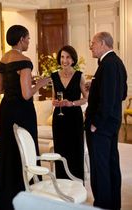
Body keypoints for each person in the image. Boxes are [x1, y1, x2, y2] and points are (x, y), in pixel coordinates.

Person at [0, 25, 50, 210]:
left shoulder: (3, 60)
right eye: (28, 39)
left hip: (7, 109)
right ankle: (28, 194)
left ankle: (6, 197)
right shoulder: (25, 61)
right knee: (27, 149)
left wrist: (21, 85)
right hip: (22, 111)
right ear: (20, 39)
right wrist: (40, 84)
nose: (28, 42)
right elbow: (26, 94)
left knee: (9, 151)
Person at [85, 32, 127, 210]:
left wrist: (96, 123)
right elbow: (122, 93)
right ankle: (112, 204)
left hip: (101, 127)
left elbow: (108, 99)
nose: (91, 46)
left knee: (100, 168)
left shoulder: (108, 64)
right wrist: (94, 86)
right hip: (112, 123)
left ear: (103, 44)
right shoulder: (117, 62)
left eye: (93, 43)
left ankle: (102, 205)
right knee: (110, 165)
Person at [51, 45, 88, 181]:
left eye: (67, 57)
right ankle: (61, 183)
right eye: (62, 57)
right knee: (60, 150)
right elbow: (54, 97)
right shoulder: (54, 76)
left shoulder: (79, 76)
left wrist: (71, 103)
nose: (64, 60)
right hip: (59, 118)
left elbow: (86, 98)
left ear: (73, 60)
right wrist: (54, 102)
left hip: (74, 118)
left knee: (75, 150)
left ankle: (77, 183)